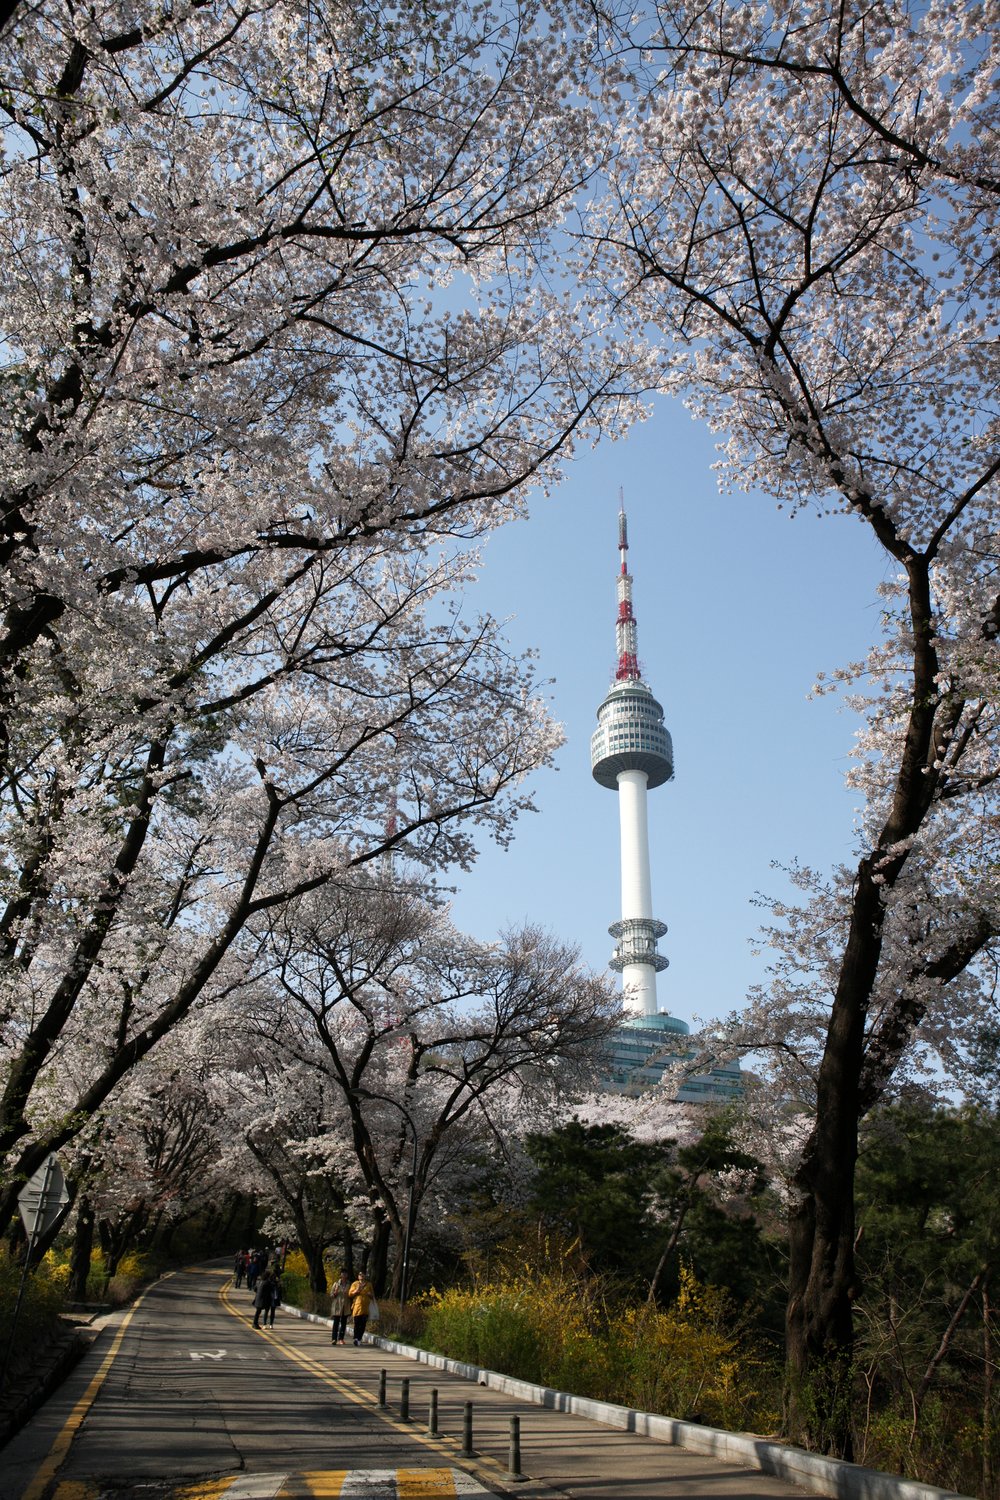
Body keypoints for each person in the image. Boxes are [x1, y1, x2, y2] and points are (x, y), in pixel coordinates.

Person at [348, 1270, 374, 1346]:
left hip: (365, 1308)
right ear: (358, 1276)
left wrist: (370, 1295)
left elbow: (373, 1296)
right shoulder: (355, 1284)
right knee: (356, 1324)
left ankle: (359, 1338)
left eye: (363, 1274)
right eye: (360, 1274)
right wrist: (356, 1291)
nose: (361, 1276)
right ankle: (355, 1338)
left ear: (365, 1276)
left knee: (363, 1325)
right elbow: (350, 1294)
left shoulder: (369, 1284)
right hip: (357, 1307)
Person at [329, 1272, 351, 1345]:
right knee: (336, 1323)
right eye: (342, 1274)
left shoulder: (349, 1284)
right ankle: (334, 1339)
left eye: (345, 1274)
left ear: (347, 1275)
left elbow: (351, 1295)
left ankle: (341, 1338)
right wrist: (335, 1293)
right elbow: (331, 1295)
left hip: (345, 1306)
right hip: (337, 1306)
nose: (344, 1276)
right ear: (340, 1275)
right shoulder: (336, 1284)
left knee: (343, 1323)